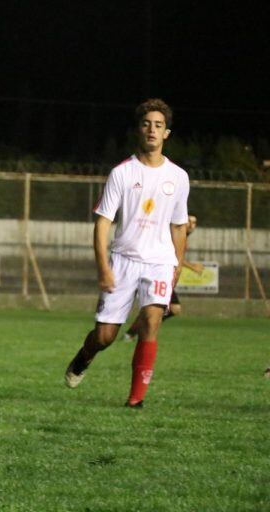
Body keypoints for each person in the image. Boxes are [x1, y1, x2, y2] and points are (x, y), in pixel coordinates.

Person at [64, 98, 190, 408]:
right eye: (147, 124)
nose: (152, 130)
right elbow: (103, 223)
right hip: (122, 262)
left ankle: (135, 400)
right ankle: (85, 355)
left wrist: (178, 264)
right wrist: (103, 268)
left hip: (159, 262)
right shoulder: (122, 173)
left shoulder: (178, 177)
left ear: (166, 133)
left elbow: (179, 226)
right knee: (105, 336)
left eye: (158, 125)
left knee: (151, 320)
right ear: (138, 130)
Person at [123, 215, 202, 340]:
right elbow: (172, 255)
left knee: (163, 309)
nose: (192, 225)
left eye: (194, 222)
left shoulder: (183, 236)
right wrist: (192, 267)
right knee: (171, 308)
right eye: (189, 221)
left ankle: (135, 332)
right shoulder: (174, 234)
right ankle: (135, 332)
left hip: (163, 274)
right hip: (159, 273)